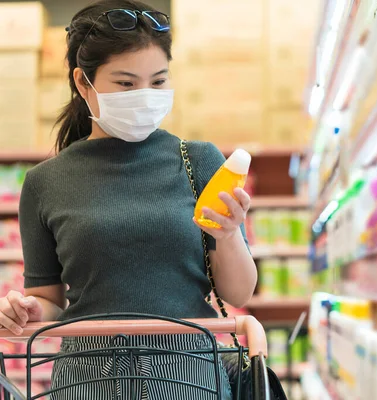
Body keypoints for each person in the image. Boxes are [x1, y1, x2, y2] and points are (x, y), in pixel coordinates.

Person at [0, 1, 257, 398]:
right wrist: (28, 310)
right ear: (83, 84)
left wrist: (228, 234)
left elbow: (239, 294)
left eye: (157, 81)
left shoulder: (199, 161)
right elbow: (47, 298)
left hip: (188, 373)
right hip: (87, 377)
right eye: (125, 83)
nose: (144, 95)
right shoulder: (44, 182)